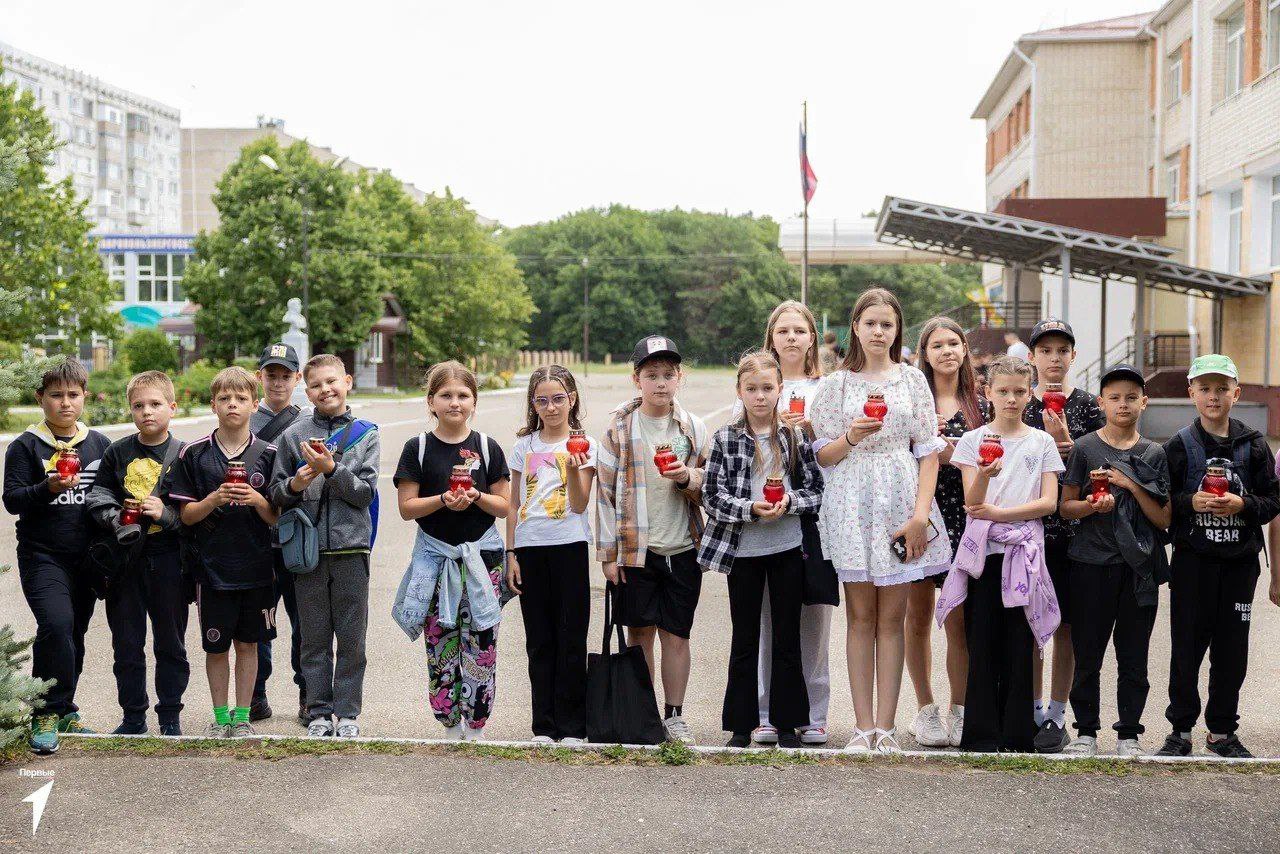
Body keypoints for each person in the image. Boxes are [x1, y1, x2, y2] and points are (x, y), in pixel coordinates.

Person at [809, 288, 952, 753]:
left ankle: (886, 728)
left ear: (897, 330)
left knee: (893, 618)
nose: (878, 331)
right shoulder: (837, 384)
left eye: (886, 324)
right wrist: (851, 436)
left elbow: (928, 453)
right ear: (855, 327)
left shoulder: (912, 380)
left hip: (900, 500)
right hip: (852, 502)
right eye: (870, 323)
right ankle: (862, 727)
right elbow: (823, 456)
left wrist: (920, 516)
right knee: (859, 617)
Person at [936, 355, 1063, 752]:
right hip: (985, 555)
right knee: (982, 637)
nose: (1011, 399)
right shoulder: (973, 441)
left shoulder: (1041, 441)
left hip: (1023, 553)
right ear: (987, 392)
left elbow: (1049, 503)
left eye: (1019, 392)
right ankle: (981, 734)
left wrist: (1002, 515)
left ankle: (1017, 733)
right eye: (1003, 391)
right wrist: (985, 476)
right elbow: (973, 503)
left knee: (1020, 641)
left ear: (1030, 395)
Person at [1156, 355, 1280, 758]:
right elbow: (1162, 502)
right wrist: (1189, 502)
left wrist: (1243, 505)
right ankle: (1180, 731)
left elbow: (1273, 499)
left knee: (1231, 651)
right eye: (1205, 389)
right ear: (1191, 393)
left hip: (1239, 565)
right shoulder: (1179, 446)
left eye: (1222, 389)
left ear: (1236, 394)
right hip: (1193, 563)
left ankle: (1222, 731)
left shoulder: (1254, 444)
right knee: (1187, 648)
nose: (1214, 396)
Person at [701, 350, 824, 749]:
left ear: (780, 390)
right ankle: (742, 725)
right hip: (743, 552)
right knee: (745, 637)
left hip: (787, 547)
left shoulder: (794, 436)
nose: (759, 396)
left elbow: (816, 490)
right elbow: (712, 496)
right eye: (751, 388)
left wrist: (790, 502)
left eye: (767, 388)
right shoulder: (725, 438)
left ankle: (788, 724)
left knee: (787, 636)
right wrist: (749, 509)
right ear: (739, 391)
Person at [596, 335, 710, 745]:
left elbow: (709, 482)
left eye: (668, 374)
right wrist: (609, 555)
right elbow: (605, 493)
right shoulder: (619, 429)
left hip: (682, 546)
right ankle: (643, 714)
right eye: (651, 375)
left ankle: (674, 715)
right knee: (639, 632)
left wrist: (687, 477)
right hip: (636, 551)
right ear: (636, 380)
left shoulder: (692, 427)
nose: (660, 383)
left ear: (680, 378)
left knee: (677, 634)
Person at [393, 361, 510, 740]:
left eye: (463, 395)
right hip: (435, 560)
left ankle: (476, 724)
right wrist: (443, 499)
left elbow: (504, 506)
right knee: (440, 642)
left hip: (483, 561)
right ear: (431, 401)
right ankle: (448, 722)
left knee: (482, 642)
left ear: (474, 401)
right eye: (445, 395)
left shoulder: (487, 448)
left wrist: (477, 496)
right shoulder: (418, 448)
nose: (454, 402)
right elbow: (407, 508)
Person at [1058, 364, 1171, 757]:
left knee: (1134, 657)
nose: (1123, 404)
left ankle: (1129, 735)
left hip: (1138, 568)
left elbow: (1163, 518)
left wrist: (1131, 486)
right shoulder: (1085, 448)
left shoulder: (1154, 453)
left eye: (1131, 397)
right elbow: (1065, 507)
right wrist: (1093, 505)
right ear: (1101, 402)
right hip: (1090, 564)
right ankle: (1086, 732)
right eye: (1115, 397)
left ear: (1144, 402)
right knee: (1088, 653)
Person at [735, 301, 832, 747]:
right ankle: (764, 710)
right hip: (764, 517)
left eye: (799, 330)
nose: (791, 337)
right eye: (783, 330)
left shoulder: (828, 387)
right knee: (766, 619)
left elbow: (838, 445)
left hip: (815, 512)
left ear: (812, 337)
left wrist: (809, 431)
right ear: (771, 337)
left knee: (813, 617)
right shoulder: (757, 383)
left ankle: (813, 711)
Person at [270, 354, 380, 739]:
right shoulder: (293, 435)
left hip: (352, 548)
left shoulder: (366, 433)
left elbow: (364, 494)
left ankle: (347, 713)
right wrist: (295, 485)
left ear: (347, 381)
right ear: (307, 390)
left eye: (332, 381)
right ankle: (318, 710)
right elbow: (276, 494)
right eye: (316, 385)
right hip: (308, 550)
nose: (325, 390)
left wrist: (332, 469)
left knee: (352, 639)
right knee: (313, 638)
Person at [3, 360, 110, 753]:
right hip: (43, 556)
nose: (65, 403)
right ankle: (44, 713)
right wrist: (46, 488)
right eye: (56, 395)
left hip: (88, 559)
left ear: (84, 397)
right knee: (56, 625)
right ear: (40, 398)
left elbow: (109, 495)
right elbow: (12, 500)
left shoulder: (98, 443)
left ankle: (65, 710)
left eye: (73, 395)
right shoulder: (26, 446)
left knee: (74, 634)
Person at [168, 367, 279, 738]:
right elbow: (186, 515)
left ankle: (242, 717)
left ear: (255, 404)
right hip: (211, 569)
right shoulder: (194, 453)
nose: (233, 404)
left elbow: (275, 516)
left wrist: (257, 499)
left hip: (257, 567)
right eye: (225, 398)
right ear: (213, 404)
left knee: (248, 644)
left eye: (241, 398)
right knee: (216, 648)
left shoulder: (268, 454)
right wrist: (214, 499)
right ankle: (220, 718)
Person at [86, 371, 189, 736]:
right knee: (127, 643)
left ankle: (170, 716)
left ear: (172, 407)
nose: (147, 412)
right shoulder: (117, 452)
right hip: (126, 559)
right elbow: (98, 495)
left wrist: (167, 515)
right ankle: (133, 716)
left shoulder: (185, 455)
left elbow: (196, 511)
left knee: (171, 642)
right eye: (138, 405)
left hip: (169, 559)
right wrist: (116, 518)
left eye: (155, 404)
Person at [906, 317, 989, 748]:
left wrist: (955, 453)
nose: (947, 351)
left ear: (964, 350)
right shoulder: (912, 401)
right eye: (937, 345)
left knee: (958, 619)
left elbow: (995, 459)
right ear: (924, 353)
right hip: (921, 516)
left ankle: (961, 708)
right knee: (917, 617)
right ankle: (925, 710)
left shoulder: (982, 406)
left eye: (954, 343)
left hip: (966, 518)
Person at [1022, 318, 1104, 753]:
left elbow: (1100, 468)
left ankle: (1057, 712)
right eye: (1045, 350)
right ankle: (1032, 709)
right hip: (1028, 531)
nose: (1054, 358)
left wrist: (1068, 444)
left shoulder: (1089, 405)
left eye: (1062, 350)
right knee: (1032, 623)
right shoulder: (1020, 401)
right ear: (1032, 356)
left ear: (1073, 356)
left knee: (1067, 626)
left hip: (1075, 533)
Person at [505, 365, 595, 746]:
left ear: (571, 399)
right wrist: (511, 552)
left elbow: (580, 503)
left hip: (569, 546)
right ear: (533, 404)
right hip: (530, 548)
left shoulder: (584, 445)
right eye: (542, 400)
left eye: (558, 398)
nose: (551, 407)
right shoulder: (523, 446)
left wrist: (573, 470)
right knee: (539, 640)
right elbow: (513, 504)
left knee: (571, 637)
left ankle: (573, 726)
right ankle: (543, 725)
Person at [249, 342, 306, 725]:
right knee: (259, 622)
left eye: (286, 375)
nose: (278, 382)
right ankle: (256, 694)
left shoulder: (306, 422)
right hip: (256, 539)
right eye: (272, 375)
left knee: (304, 621)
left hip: (296, 537)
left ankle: (307, 693)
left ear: (297, 378)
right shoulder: (244, 420)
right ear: (260, 377)